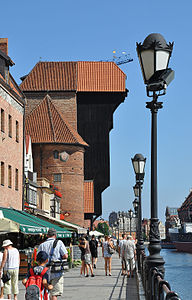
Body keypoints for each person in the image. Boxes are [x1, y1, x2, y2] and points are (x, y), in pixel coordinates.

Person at [37, 228, 68, 300]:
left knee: (44, 293)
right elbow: (65, 255)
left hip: (44, 271)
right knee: (54, 294)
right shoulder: (59, 242)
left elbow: (38, 258)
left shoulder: (42, 245)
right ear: (55, 235)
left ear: (47, 235)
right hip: (56, 271)